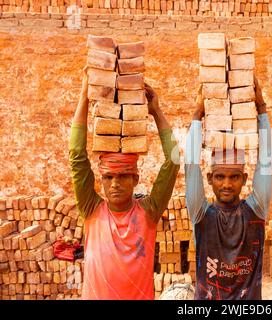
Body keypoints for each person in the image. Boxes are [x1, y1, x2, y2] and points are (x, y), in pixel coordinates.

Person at [69, 68, 180, 299]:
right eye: (108, 178)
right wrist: (83, 98)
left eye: (122, 177)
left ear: (135, 179)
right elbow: (77, 155)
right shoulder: (91, 209)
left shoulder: (149, 212)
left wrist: (156, 112)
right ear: (101, 180)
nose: (115, 184)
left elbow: (174, 160)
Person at [185, 78, 272, 300]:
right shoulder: (201, 214)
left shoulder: (256, 210)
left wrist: (261, 110)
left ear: (244, 179)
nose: (226, 184)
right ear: (209, 178)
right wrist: (196, 116)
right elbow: (191, 165)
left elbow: (266, 161)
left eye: (234, 177)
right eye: (220, 177)